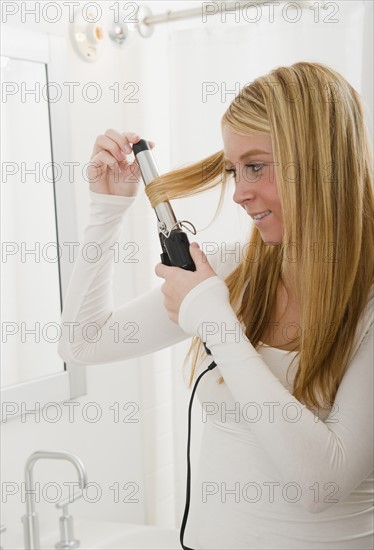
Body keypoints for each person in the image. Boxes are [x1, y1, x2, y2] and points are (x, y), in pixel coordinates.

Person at [58, 62, 374, 549]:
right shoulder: (234, 275)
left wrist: (216, 321)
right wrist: (107, 211)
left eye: (256, 166)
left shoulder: (364, 303)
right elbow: (84, 342)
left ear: (318, 162)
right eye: (233, 170)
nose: (240, 192)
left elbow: (321, 484)